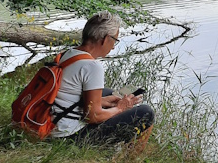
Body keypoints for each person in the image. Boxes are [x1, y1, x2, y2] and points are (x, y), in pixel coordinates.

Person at [48, 11, 154, 147]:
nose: (114, 46)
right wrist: (120, 108)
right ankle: (132, 156)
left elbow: (66, 95)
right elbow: (93, 117)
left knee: (107, 92)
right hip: (70, 137)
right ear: (105, 39)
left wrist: (104, 101)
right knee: (146, 113)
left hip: (52, 124)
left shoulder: (68, 54)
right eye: (115, 40)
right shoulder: (92, 66)